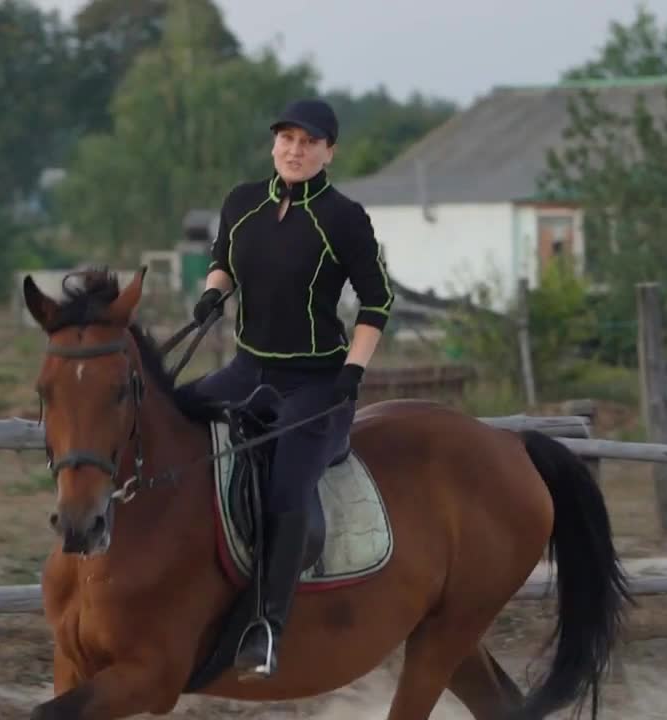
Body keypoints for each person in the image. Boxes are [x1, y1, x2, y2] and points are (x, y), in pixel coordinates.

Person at [190, 97, 394, 682]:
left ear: (329, 150)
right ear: (273, 143)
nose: (296, 151)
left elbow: (377, 301)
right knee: (174, 414)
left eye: (310, 142)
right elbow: (222, 258)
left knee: (286, 492)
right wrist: (213, 291)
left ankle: (265, 628)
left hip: (316, 383)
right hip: (247, 371)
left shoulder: (343, 217)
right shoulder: (242, 202)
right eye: (287, 139)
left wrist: (352, 375)